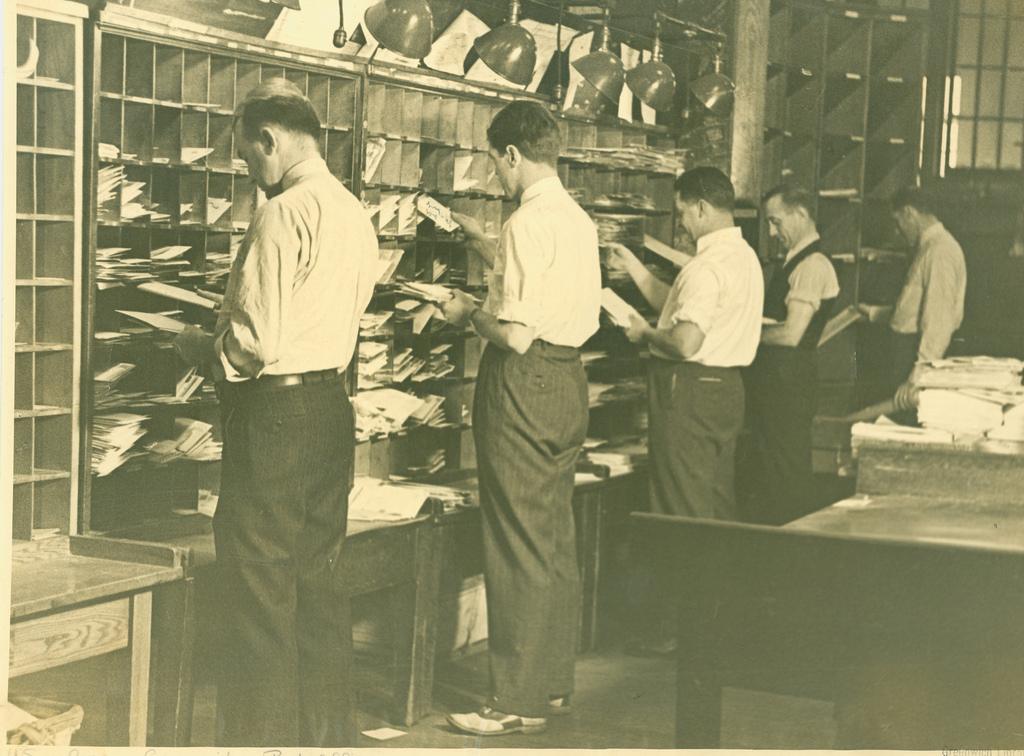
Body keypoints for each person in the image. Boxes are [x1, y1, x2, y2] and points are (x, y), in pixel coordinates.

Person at [172, 78, 379, 746]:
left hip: (275, 416)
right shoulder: (351, 209)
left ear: (269, 138)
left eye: (247, 156)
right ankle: (325, 738)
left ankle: (260, 742)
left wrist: (201, 345)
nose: (249, 171)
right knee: (319, 582)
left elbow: (255, 344)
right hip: (328, 407)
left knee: (259, 591)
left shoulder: (283, 211)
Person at [441, 100, 601, 736]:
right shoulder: (575, 217)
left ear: (511, 154)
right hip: (566, 382)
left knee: (516, 545)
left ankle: (516, 700)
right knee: (553, 539)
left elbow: (512, 335)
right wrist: (486, 251)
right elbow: (549, 296)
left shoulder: (526, 222)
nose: (495, 175)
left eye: (494, 161)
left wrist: (464, 313)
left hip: (524, 385)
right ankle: (550, 684)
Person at [607, 166, 763, 521]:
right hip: (726, 388)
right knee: (715, 500)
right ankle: (714, 576)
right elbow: (678, 307)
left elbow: (685, 342)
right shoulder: (744, 257)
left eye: (682, 214)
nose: (680, 224)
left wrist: (642, 332)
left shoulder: (705, 268)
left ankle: (683, 575)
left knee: (682, 504)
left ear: (702, 208)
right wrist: (633, 265)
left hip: (690, 391)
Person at [742, 184, 840, 525]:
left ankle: (792, 554)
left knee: (787, 476)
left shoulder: (813, 265)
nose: (771, 232)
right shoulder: (797, 262)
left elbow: (790, 334)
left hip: (787, 387)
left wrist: (741, 333)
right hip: (779, 387)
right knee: (776, 471)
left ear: (800, 215)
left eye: (776, 221)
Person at [888, 186, 967, 400]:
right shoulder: (928, 248)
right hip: (907, 353)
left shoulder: (940, 251)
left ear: (909, 213)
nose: (897, 231)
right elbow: (915, 308)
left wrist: (918, 376)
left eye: (897, 222)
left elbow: (938, 321)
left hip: (915, 357)